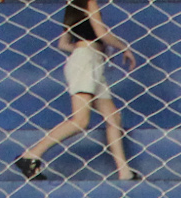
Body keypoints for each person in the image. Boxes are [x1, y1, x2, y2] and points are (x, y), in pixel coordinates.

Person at [14, 0, 137, 184]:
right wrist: (124, 47)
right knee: (80, 120)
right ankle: (31, 155)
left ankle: (124, 172)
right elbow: (101, 33)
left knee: (113, 117)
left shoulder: (73, 6)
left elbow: (63, 44)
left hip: (90, 61)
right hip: (86, 63)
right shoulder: (89, 2)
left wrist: (89, 51)